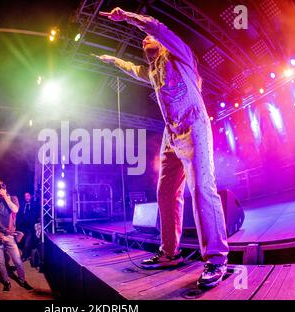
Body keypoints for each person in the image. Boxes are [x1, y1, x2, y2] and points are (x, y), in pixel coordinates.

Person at [98, 8, 229, 288]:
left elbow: (157, 27)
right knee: (166, 191)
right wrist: (112, 59)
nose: (144, 40)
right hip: (172, 134)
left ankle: (216, 258)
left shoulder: (179, 55)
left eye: (148, 38)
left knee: (202, 188)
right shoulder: (153, 70)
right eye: (142, 40)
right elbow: (133, 69)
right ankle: (170, 253)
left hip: (194, 127)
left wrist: (129, 18)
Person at [0, 180, 32, 291]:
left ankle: (22, 280)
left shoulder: (13, 198)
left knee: (17, 260)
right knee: (1, 261)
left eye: (0, 186)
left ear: (5, 187)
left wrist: (5, 196)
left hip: (9, 235)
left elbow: (15, 209)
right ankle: (6, 282)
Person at [17, 192, 40, 262]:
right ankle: (25, 255)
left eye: (28, 196)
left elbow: (35, 215)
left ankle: (24, 256)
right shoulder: (22, 205)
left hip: (30, 228)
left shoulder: (34, 205)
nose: (26, 197)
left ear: (30, 196)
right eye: (25, 196)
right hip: (22, 227)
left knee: (27, 243)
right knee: (20, 242)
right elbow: (19, 215)